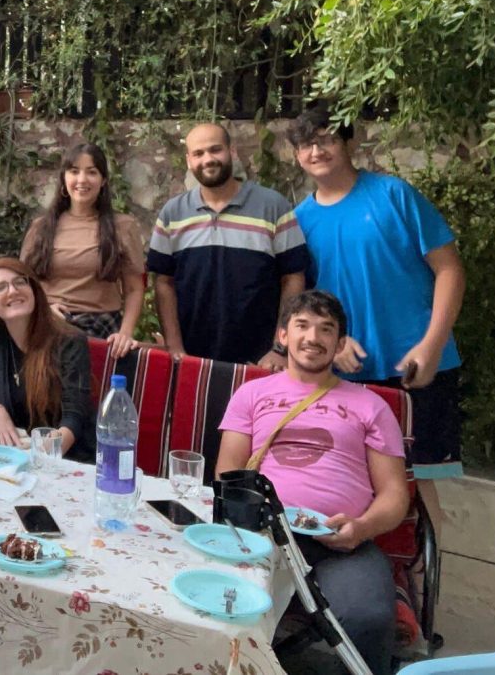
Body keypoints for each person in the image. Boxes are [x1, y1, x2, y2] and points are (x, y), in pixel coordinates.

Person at [289, 106, 465, 526]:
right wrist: (336, 344)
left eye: (327, 138)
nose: (317, 150)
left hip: (419, 368)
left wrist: (432, 344)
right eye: (306, 143)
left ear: (348, 142)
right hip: (350, 374)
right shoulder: (300, 221)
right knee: (355, 478)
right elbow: (311, 304)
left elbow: (451, 269)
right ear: (296, 154)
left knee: (420, 484)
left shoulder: (393, 195)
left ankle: (425, 583)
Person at [216, 290, 408, 675]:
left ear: (339, 344)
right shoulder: (251, 394)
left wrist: (362, 527)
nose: (313, 338)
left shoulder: (371, 406)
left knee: (368, 618)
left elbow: (394, 493)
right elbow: (227, 473)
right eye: (302, 325)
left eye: (326, 330)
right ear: (283, 335)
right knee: (221, 608)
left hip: (342, 542)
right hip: (261, 536)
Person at [148, 123, 309, 367]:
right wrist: (174, 346)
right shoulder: (173, 213)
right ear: (189, 161)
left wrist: (280, 347)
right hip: (192, 360)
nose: (208, 159)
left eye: (216, 150)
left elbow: (293, 278)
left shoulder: (273, 207)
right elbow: (163, 282)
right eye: (199, 153)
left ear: (232, 152)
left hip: (261, 360)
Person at [0, 258, 95, 463]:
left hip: (69, 456)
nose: (13, 291)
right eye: (0, 287)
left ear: (34, 291)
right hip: (16, 451)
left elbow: (75, 417)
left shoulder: (70, 340)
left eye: (20, 282)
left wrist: (38, 458)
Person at [21, 143, 145, 357]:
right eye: (74, 171)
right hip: (47, 325)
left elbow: (134, 288)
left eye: (91, 172)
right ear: (64, 179)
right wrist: (45, 309)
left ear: (103, 180)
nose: (82, 180)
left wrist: (125, 333)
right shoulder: (40, 228)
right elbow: (24, 282)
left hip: (101, 329)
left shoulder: (123, 227)